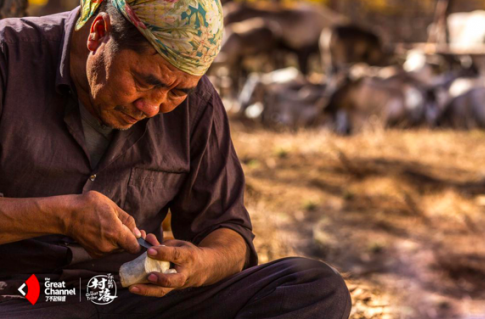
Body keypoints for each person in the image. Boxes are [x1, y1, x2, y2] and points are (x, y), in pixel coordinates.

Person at [0, 0, 351, 317]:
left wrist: (199, 264)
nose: (153, 107)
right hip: (19, 297)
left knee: (312, 288)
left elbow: (227, 231)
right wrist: (61, 215)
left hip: (136, 299)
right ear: (98, 34)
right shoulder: (8, 58)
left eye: (177, 92)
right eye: (144, 81)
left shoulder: (198, 104)